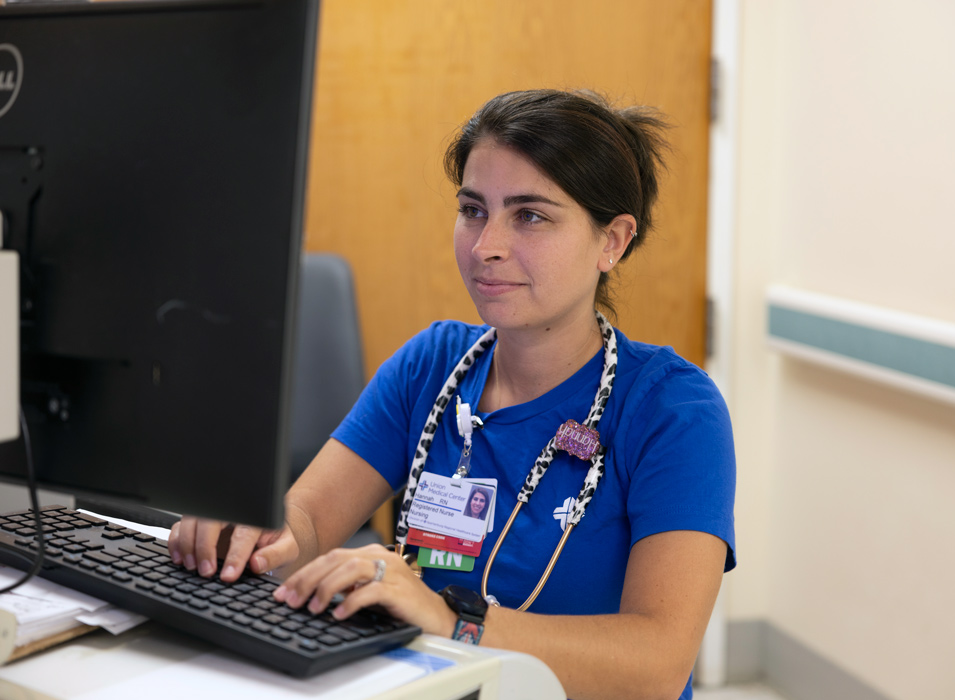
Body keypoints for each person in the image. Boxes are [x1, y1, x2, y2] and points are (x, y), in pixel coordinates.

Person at [169, 89, 736, 700]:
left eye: (530, 215)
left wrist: (453, 620)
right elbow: (306, 519)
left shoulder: (672, 411)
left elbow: (657, 664)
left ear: (612, 241)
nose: (487, 245)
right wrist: (251, 532)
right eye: (473, 209)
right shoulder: (434, 365)